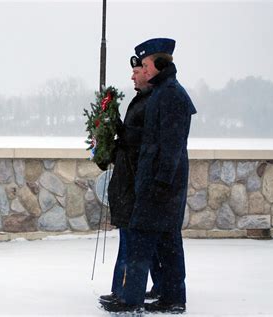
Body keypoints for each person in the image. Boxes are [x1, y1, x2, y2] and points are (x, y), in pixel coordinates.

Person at [101, 38, 197, 314]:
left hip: (160, 187)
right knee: (167, 245)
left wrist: (159, 184)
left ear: (159, 65)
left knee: (143, 245)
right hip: (158, 184)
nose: (140, 70)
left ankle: (132, 300)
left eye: (144, 64)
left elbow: (170, 147)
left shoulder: (171, 96)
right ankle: (172, 298)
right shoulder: (163, 92)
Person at [98, 56, 161, 304]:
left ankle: (123, 291)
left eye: (138, 70)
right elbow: (128, 144)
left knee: (132, 242)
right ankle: (159, 285)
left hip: (135, 182)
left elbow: (140, 141)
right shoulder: (141, 100)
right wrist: (107, 146)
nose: (134, 75)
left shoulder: (150, 102)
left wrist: (118, 128)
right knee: (141, 243)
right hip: (128, 180)